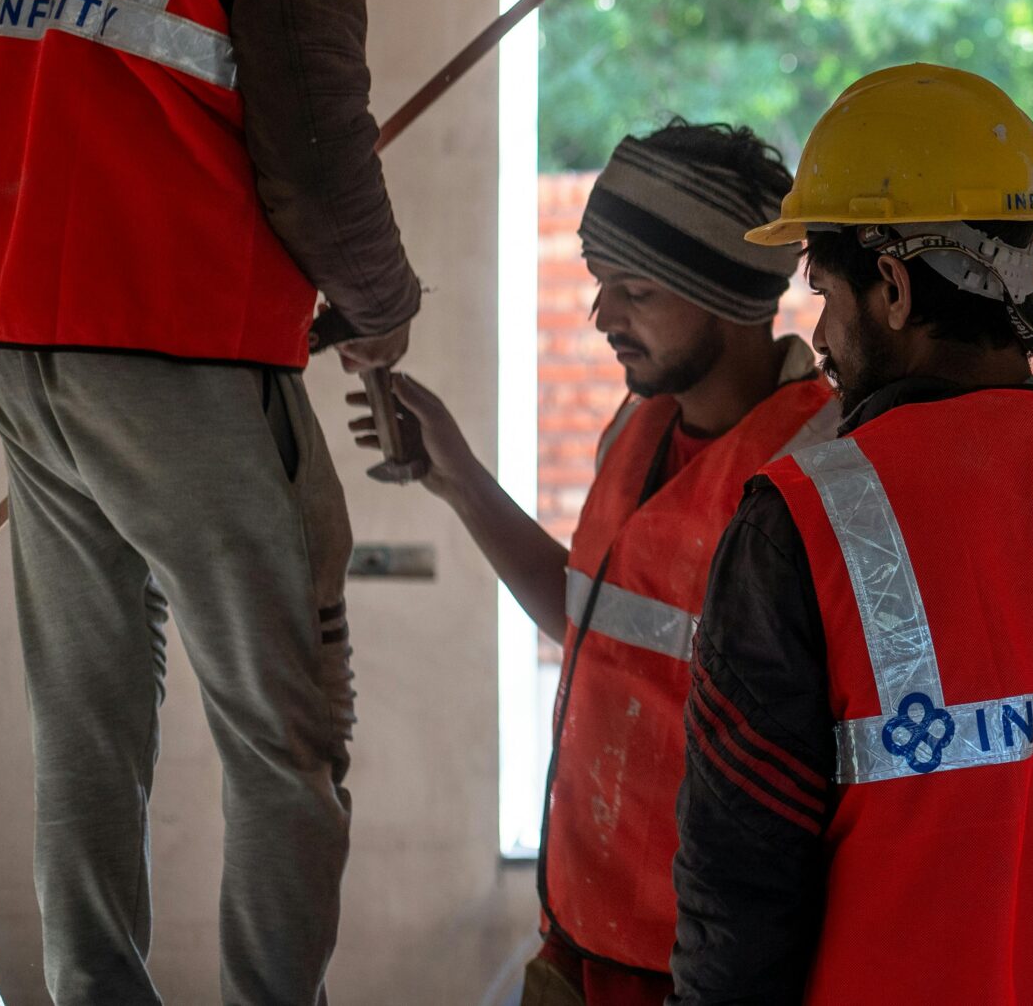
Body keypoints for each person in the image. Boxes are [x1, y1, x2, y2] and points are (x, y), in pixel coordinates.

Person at [0, 0, 439, 1004]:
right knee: (285, 728)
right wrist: (377, 299)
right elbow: (317, 138)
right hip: (177, 357)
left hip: (19, 352)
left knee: (87, 720)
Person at [664, 64, 1033, 1004]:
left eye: (825, 291)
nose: (819, 336)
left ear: (893, 288)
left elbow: (739, 913)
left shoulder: (804, 524)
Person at [345, 123, 829, 1005]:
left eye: (636, 289)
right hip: (580, 933)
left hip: (708, 971)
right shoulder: (636, 430)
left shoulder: (813, 471)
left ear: (726, 293)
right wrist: (458, 480)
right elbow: (590, 624)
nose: (604, 315)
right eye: (604, 283)